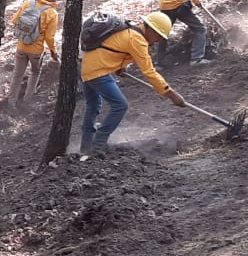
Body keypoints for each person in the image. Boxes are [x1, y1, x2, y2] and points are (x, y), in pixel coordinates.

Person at [79, 11, 186, 151]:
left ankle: (85, 147)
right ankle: (99, 144)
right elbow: (149, 72)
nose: (158, 41)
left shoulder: (131, 30)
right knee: (120, 105)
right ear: (151, 30)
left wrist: (120, 67)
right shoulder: (138, 40)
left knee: (93, 106)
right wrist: (172, 95)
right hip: (98, 72)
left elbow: (114, 48)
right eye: (159, 36)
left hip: (87, 67)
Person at [7, 0, 62, 107]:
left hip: (21, 46)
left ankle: (11, 102)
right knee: (35, 72)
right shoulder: (52, 13)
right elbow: (49, 38)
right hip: (36, 51)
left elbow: (15, 21)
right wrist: (54, 52)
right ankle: (27, 100)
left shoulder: (28, 3)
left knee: (17, 75)